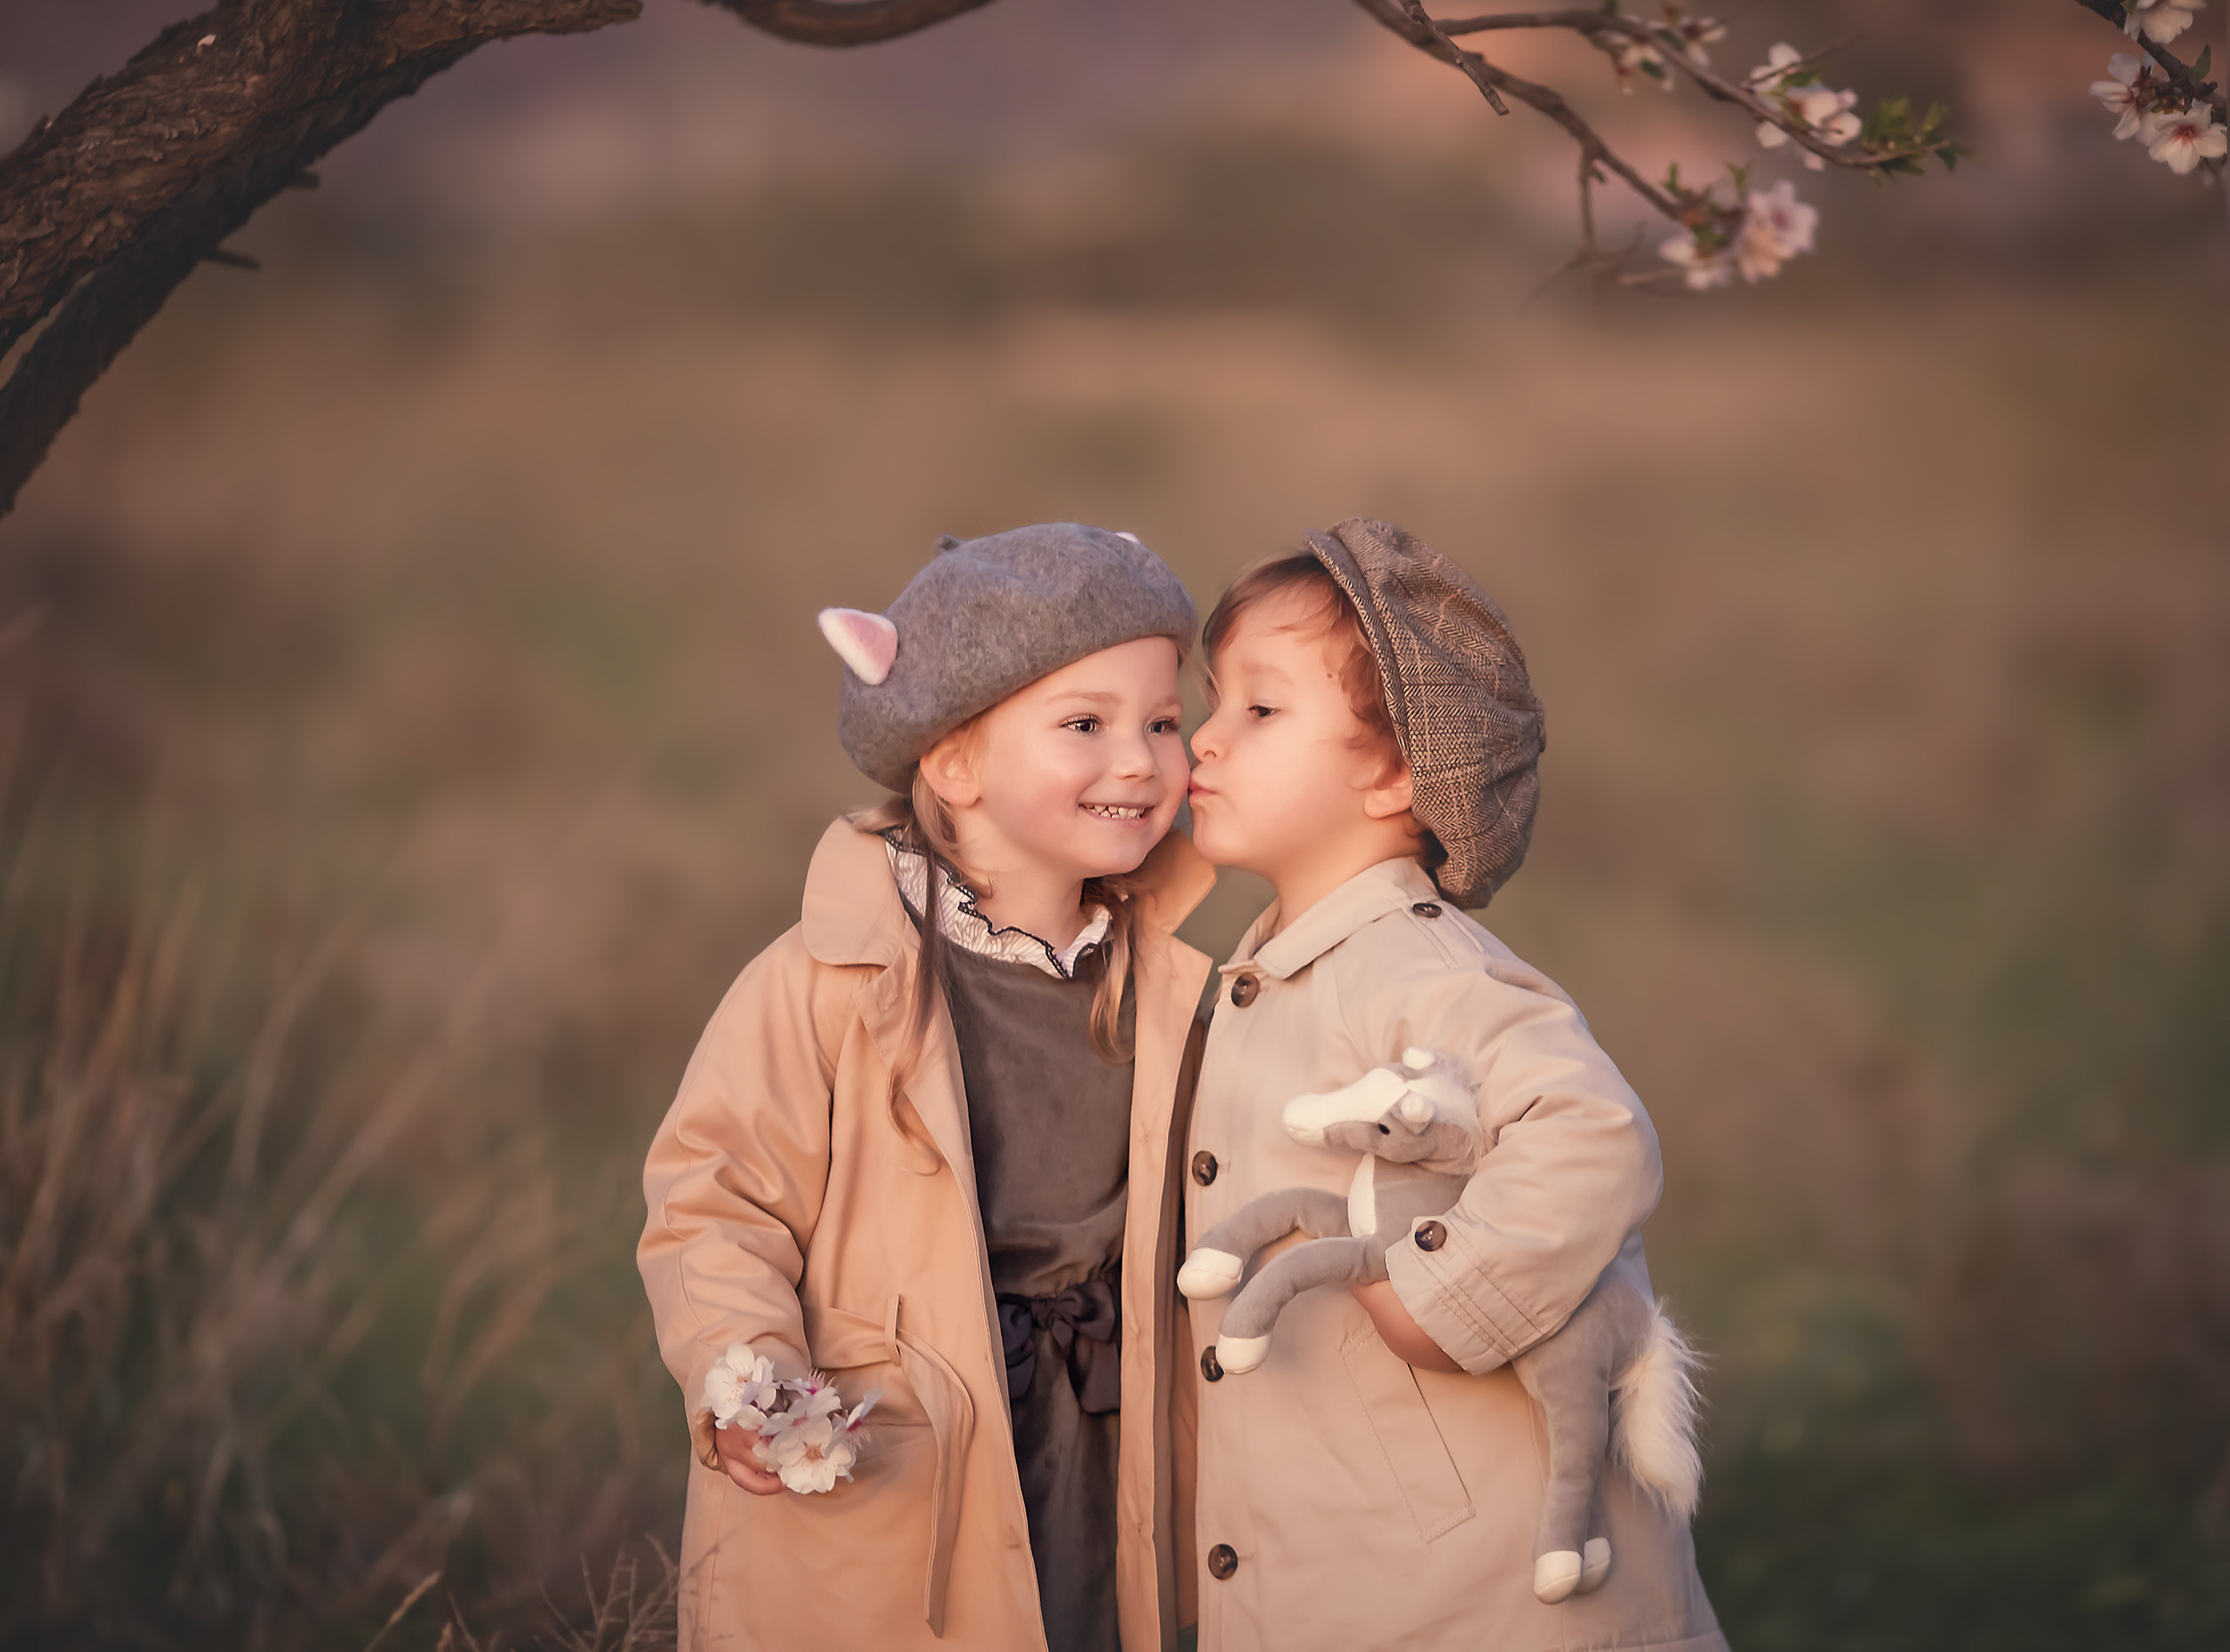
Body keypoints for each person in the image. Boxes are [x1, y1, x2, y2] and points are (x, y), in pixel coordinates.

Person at [639, 523, 1217, 1651]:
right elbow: (714, 1196)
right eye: (1086, 724)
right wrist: (743, 1370)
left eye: (1162, 721)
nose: (1143, 759)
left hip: (1102, 1445)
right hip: (907, 1458)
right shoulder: (830, 979)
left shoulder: (1176, 979)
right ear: (953, 761)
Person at [1179, 518, 1725, 1650]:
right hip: (1352, 1570)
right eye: (1213, 701)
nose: (1205, 739)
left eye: (1260, 709)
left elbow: (1592, 1131)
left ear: (1393, 770)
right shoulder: (1271, 969)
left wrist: (1449, 1293)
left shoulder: (1422, 970)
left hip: (1481, 1598)